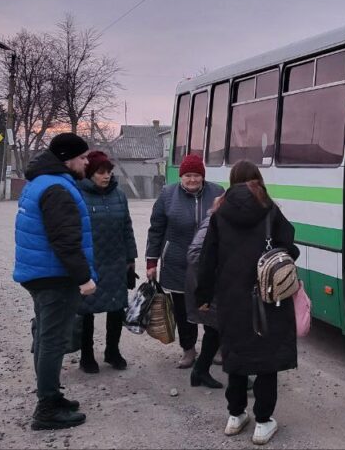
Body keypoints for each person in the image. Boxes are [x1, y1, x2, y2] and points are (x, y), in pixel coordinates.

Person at [196, 160, 299, 445]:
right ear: (258, 180)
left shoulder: (219, 212)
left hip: (231, 297)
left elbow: (208, 258)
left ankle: (235, 415)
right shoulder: (270, 210)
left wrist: (203, 296)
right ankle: (263, 422)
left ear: (232, 180)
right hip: (267, 295)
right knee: (267, 357)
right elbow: (289, 246)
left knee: (236, 354)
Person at [13, 132, 98, 431]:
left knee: (46, 337)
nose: (87, 162)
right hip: (54, 277)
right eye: (83, 157)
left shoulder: (41, 181)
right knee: (52, 341)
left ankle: (51, 396)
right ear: (67, 159)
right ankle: (46, 409)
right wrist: (84, 278)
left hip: (40, 273)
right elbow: (65, 241)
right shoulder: (57, 189)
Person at [145, 154, 224, 370]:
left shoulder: (217, 193)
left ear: (203, 176)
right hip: (177, 263)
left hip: (209, 265)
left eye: (196, 175)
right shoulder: (167, 194)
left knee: (211, 308)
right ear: (181, 176)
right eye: (188, 175)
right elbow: (156, 229)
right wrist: (151, 262)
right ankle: (188, 349)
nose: (192, 180)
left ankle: (216, 347)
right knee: (183, 312)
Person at [76, 151, 138, 374]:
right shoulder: (78, 195)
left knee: (116, 307)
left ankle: (112, 351)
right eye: (101, 172)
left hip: (115, 260)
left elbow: (127, 228)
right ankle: (87, 355)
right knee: (86, 310)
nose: (106, 176)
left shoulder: (119, 195)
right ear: (91, 173)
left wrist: (131, 259)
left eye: (109, 172)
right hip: (90, 260)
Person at [182, 195, 225, 389]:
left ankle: (200, 372)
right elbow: (195, 254)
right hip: (207, 285)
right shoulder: (213, 222)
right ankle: (235, 375)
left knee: (215, 331)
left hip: (213, 285)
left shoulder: (222, 221)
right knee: (217, 329)